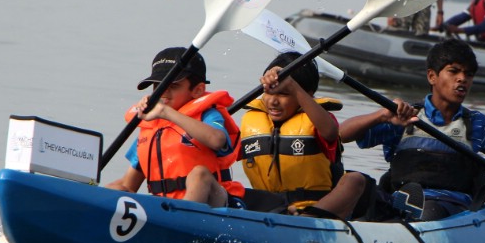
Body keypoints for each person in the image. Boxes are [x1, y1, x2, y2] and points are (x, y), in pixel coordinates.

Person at [340, 40, 485, 221]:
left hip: (448, 209)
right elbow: (341, 135)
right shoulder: (403, 117)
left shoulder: (478, 124)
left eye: (468, 74)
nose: (462, 78)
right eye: (453, 71)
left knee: (429, 211)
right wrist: (382, 115)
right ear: (432, 76)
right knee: (355, 184)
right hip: (399, 201)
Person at [106, 48, 244, 207]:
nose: (163, 91)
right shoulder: (151, 128)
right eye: (157, 85)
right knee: (116, 188)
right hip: (166, 208)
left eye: (173, 85)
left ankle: (185, 219)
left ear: (198, 90)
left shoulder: (208, 115)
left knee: (199, 174)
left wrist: (166, 112)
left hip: (217, 202)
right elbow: (129, 185)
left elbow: (217, 140)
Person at [238, 52, 367, 219]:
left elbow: (330, 132)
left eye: (284, 94)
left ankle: (306, 218)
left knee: (355, 180)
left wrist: (293, 85)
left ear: (306, 93)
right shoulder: (252, 122)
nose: (273, 101)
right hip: (267, 208)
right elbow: (220, 150)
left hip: (314, 209)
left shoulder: (319, 121)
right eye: (269, 92)